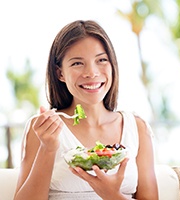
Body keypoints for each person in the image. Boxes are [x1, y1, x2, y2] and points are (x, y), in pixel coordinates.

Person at [14, 20, 158, 200]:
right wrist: (48, 149)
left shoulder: (137, 128)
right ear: (60, 73)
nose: (91, 73)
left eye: (101, 60)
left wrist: (112, 195)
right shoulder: (42, 128)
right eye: (77, 63)